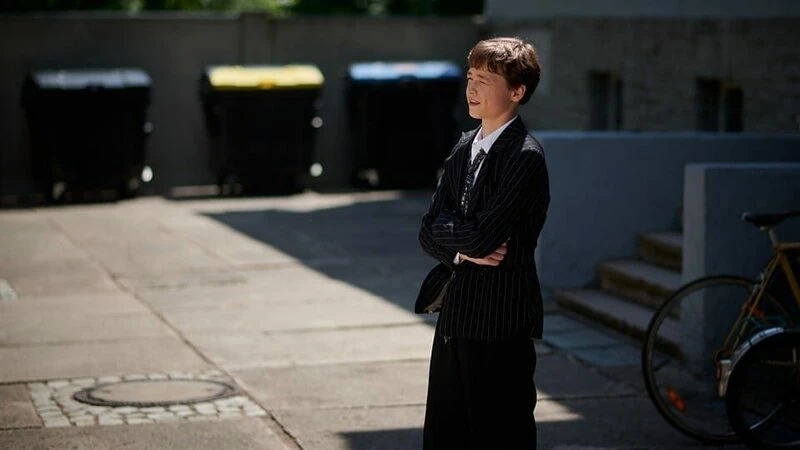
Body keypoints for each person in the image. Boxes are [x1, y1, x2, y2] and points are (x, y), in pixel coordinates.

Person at [415, 36, 550, 450]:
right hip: (456, 315)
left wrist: (461, 237)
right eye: (470, 77)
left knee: (500, 435)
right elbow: (427, 230)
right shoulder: (463, 147)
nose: (472, 88)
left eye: (485, 80)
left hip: (500, 320)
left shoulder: (524, 155)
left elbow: (484, 236)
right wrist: (462, 250)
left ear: (516, 91)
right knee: (445, 434)